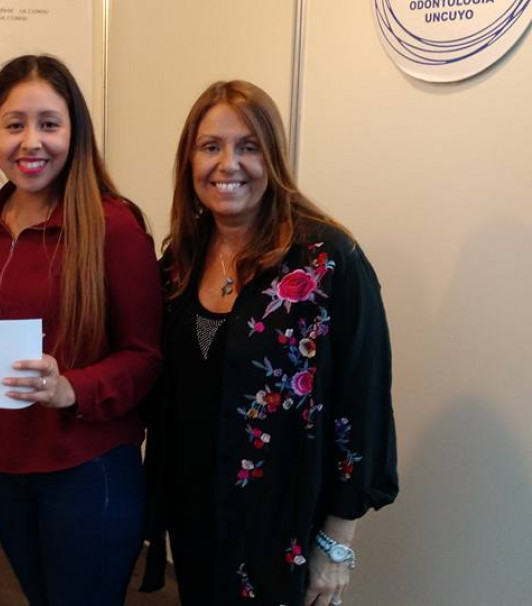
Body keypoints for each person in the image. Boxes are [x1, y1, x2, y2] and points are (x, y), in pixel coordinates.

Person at [140, 80, 399, 605]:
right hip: (196, 515)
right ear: (189, 160)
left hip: (284, 528)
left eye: (248, 147)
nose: (227, 164)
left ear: (273, 158)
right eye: (210, 146)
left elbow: (362, 403)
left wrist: (336, 543)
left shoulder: (328, 261)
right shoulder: (179, 262)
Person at [0, 54, 163, 606]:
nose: (32, 141)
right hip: (2, 469)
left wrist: (71, 387)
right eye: (14, 125)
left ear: (75, 132)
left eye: (49, 123)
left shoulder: (112, 225)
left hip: (87, 468)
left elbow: (146, 356)